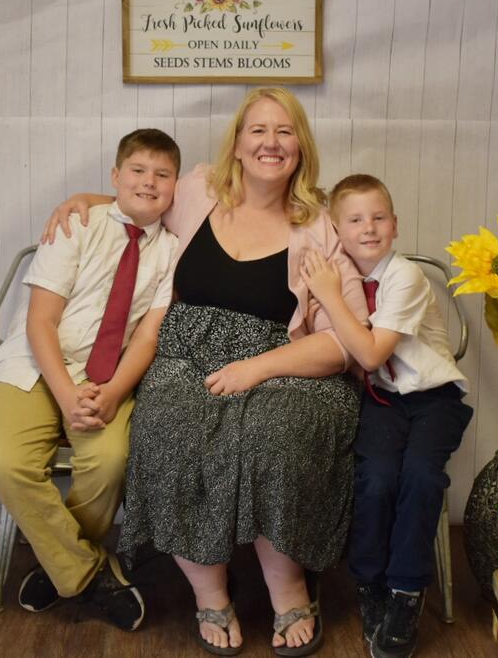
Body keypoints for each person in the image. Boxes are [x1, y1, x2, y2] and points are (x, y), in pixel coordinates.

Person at [44, 87, 368, 656]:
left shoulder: (319, 226)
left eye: (285, 131)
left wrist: (256, 369)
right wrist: (83, 198)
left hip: (287, 365)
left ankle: (289, 590)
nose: (271, 143)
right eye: (258, 130)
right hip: (184, 355)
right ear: (237, 144)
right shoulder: (198, 191)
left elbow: (345, 340)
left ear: (301, 146)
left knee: (273, 433)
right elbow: (140, 197)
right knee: (169, 425)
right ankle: (210, 593)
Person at [0, 128, 182, 631]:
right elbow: (40, 322)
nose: (149, 182)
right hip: (34, 365)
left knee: (110, 461)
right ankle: (88, 574)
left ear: (176, 186)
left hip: (106, 377)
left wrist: (113, 393)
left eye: (162, 174)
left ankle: (58, 566)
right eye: (137, 170)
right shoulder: (78, 223)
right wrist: (66, 393)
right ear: (115, 176)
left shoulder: (172, 251)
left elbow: (147, 337)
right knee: (7, 465)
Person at [300, 174, 473, 658]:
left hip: (433, 399)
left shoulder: (405, 278)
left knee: (420, 476)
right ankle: (370, 583)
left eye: (379, 218)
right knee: (375, 479)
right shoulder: (341, 274)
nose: (369, 228)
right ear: (337, 230)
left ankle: (406, 591)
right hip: (382, 400)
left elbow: (372, 354)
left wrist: (330, 296)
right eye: (355, 220)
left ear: (395, 225)